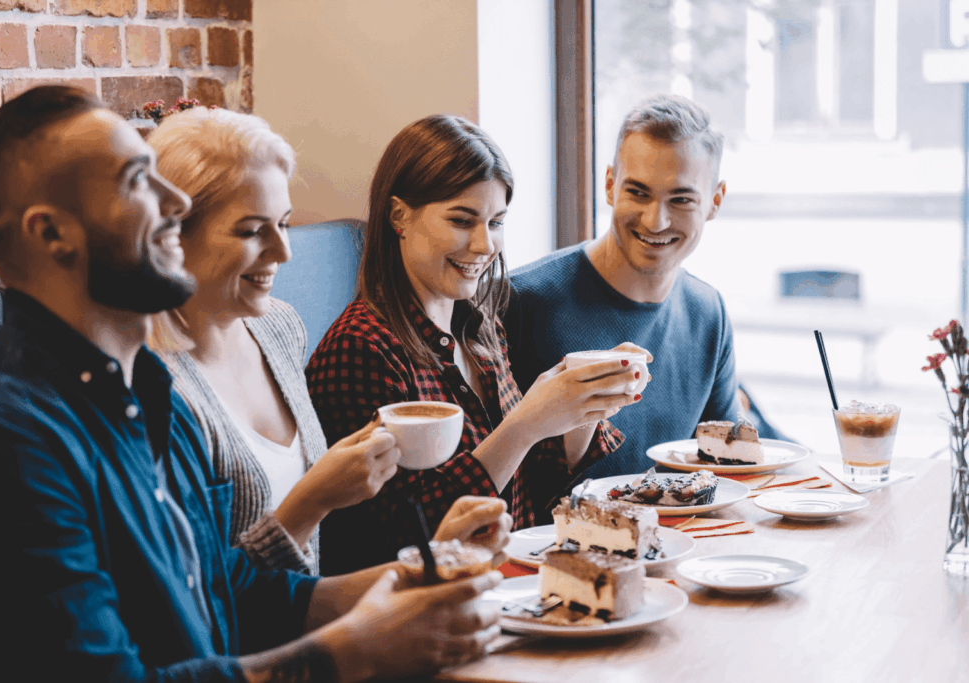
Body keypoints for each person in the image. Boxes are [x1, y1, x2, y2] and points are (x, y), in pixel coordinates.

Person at [0, 85, 504, 682]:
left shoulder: (152, 395)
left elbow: (224, 592)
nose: (173, 202)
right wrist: (354, 650)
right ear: (52, 235)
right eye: (138, 180)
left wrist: (398, 582)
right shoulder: (4, 436)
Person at [145, 107, 504, 576]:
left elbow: (315, 580)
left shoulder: (279, 327)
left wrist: (429, 561)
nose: (284, 252)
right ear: (171, 235)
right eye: (253, 231)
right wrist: (313, 501)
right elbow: (204, 603)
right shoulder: (154, 387)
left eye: (285, 223)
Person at [307, 114, 646, 576]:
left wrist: (585, 404)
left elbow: (528, 488)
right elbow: (401, 539)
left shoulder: (480, 329)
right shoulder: (361, 348)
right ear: (399, 216)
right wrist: (524, 425)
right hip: (428, 608)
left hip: (513, 586)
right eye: (462, 220)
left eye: (496, 222)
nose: (486, 245)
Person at [505, 93, 749, 477]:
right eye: (637, 192)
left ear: (714, 202)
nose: (655, 221)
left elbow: (726, 467)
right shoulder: (522, 301)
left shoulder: (708, 312)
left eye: (681, 199)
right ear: (609, 186)